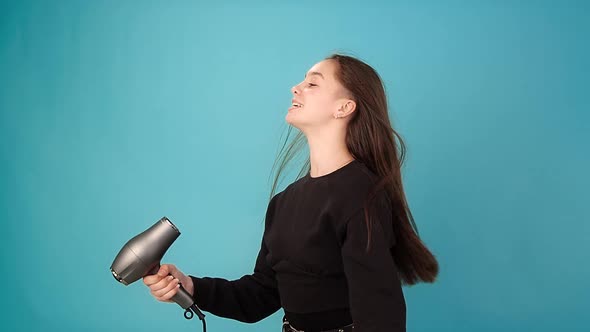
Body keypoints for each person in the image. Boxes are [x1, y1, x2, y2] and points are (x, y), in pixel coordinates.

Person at [143, 53, 439, 332]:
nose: (295, 88)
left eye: (312, 83)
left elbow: (380, 313)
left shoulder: (361, 194)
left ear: (344, 107)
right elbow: (260, 295)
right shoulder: (283, 203)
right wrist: (191, 286)